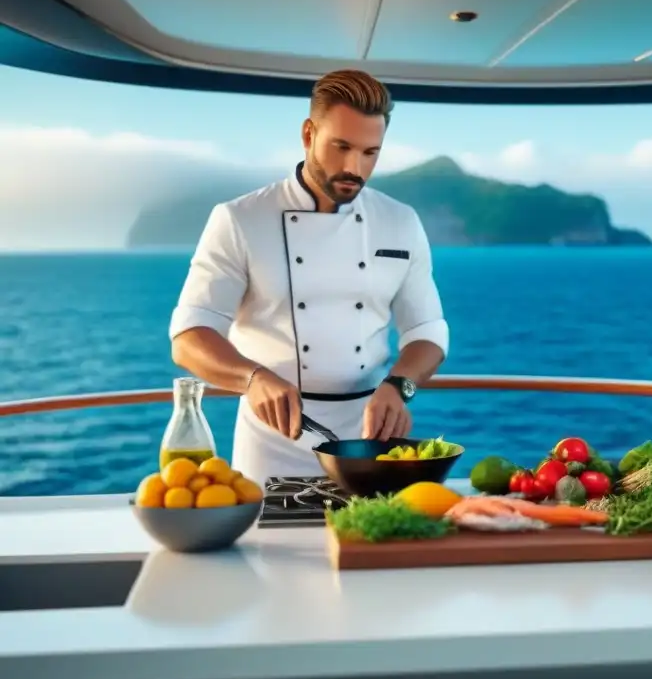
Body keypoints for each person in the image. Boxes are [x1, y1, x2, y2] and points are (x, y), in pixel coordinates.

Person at [168, 69, 448, 483]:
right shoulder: (239, 220)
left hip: (367, 443)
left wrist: (399, 387)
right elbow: (190, 337)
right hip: (273, 443)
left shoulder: (400, 222)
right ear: (308, 133)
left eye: (371, 153)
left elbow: (428, 331)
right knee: (270, 549)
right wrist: (253, 378)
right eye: (342, 147)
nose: (355, 167)